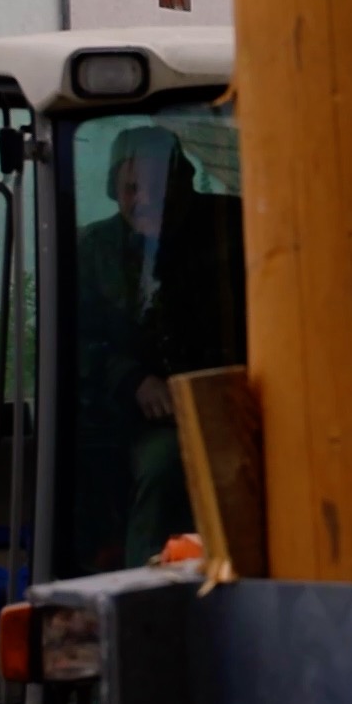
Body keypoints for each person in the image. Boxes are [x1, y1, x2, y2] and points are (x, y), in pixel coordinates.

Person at [74, 125, 246, 570]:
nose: (143, 200)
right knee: (165, 464)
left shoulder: (234, 229)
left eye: (156, 187)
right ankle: (140, 591)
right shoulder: (94, 250)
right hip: (134, 417)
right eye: (130, 189)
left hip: (235, 401)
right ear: (114, 192)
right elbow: (76, 339)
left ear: (183, 184)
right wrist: (132, 380)